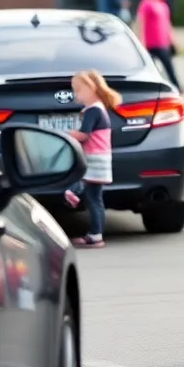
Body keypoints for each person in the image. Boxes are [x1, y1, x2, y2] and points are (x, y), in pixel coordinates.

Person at [62, 70, 121, 248]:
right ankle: (95, 234)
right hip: (100, 158)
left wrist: (68, 134)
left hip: (94, 158)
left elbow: (84, 135)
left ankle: (72, 193)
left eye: (78, 90)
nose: (75, 95)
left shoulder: (93, 111)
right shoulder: (98, 108)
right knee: (95, 198)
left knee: (91, 193)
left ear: (91, 88)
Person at [136, 0, 181, 90]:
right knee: (154, 67)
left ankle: (175, 86)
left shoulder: (164, 5)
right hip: (151, 43)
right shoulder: (146, 3)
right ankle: (174, 86)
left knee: (168, 65)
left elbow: (167, 25)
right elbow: (141, 21)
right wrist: (141, 41)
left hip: (163, 43)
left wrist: (173, 40)